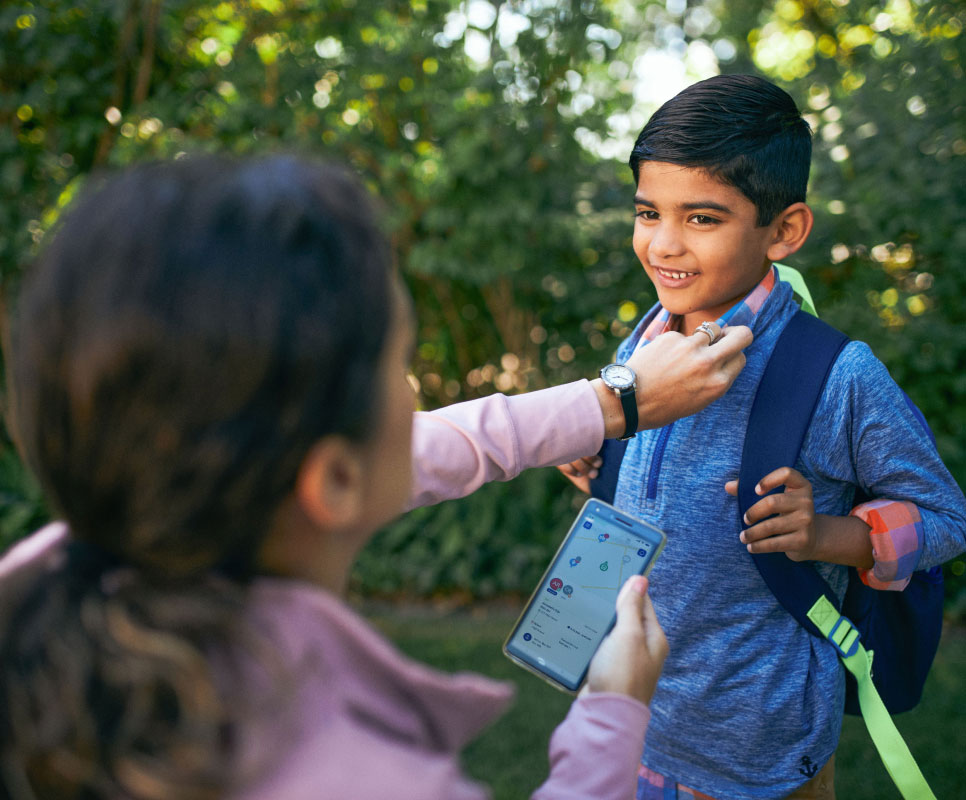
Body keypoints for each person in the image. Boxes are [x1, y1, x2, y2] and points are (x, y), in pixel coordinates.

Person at [0, 154, 752, 799]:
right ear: (331, 480)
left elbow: (436, 447)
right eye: (397, 368)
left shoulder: (56, 579)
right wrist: (612, 711)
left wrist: (611, 404)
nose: (414, 399)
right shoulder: (370, 778)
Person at [558, 74, 966, 799]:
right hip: (631, 725)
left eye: (703, 219)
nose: (663, 244)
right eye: (647, 212)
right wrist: (600, 466)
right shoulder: (639, 345)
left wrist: (826, 536)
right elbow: (658, 501)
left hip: (758, 757)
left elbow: (945, 518)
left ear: (784, 230)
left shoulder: (837, 375)